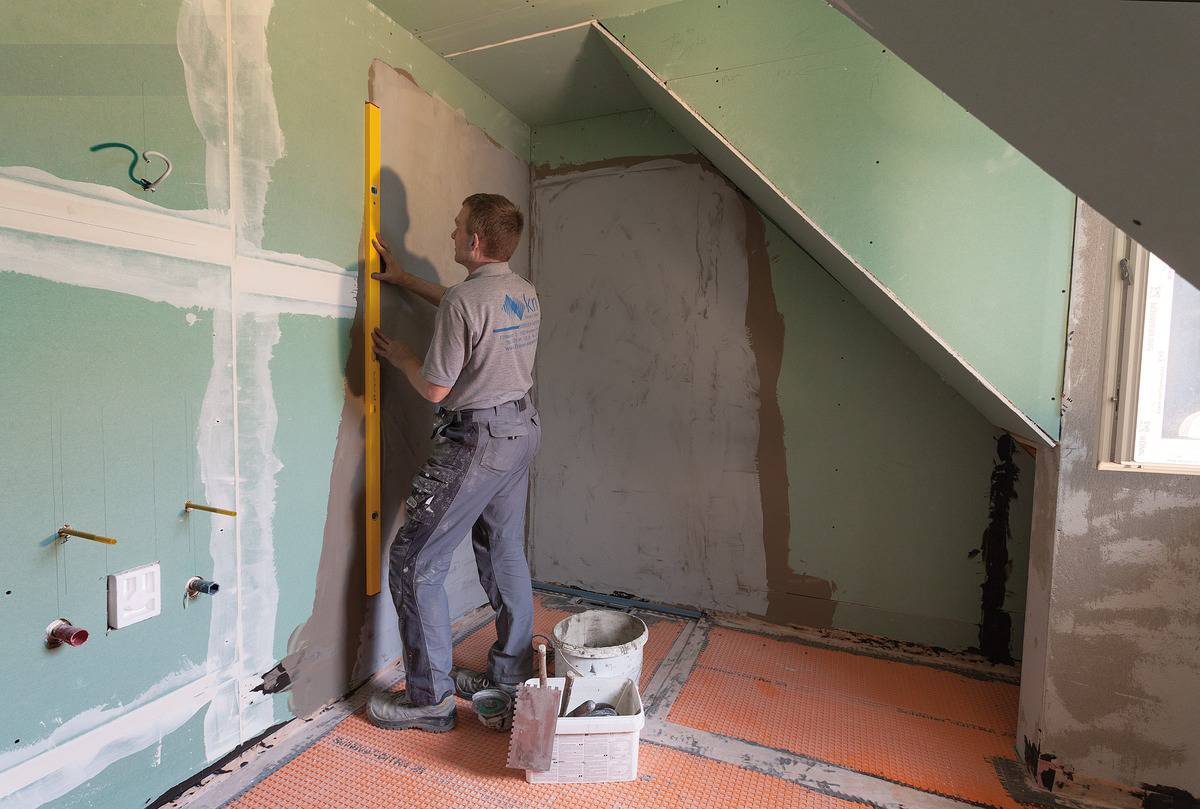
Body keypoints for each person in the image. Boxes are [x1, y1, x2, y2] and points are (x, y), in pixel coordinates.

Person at [366, 193, 541, 733]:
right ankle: (510, 677)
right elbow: (468, 307)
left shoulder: (468, 303)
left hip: (477, 442)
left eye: (457, 225)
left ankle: (430, 700)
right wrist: (406, 281)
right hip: (521, 431)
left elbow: (437, 388)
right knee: (504, 547)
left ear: (473, 241)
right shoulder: (523, 292)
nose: (451, 233)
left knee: (414, 560)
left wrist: (400, 358)